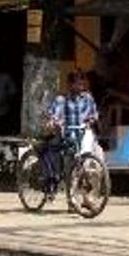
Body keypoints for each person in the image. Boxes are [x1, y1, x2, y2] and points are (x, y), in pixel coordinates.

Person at [40, 70, 101, 202]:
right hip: (68, 136)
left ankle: (88, 197)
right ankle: (71, 200)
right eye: (77, 84)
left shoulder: (88, 98)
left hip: (84, 134)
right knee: (69, 167)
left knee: (92, 165)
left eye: (81, 84)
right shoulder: (61, 99)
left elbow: (94, 114)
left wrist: (91, 120)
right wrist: (53, 121)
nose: (80, 88)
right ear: (69, 84)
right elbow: (54, 114)